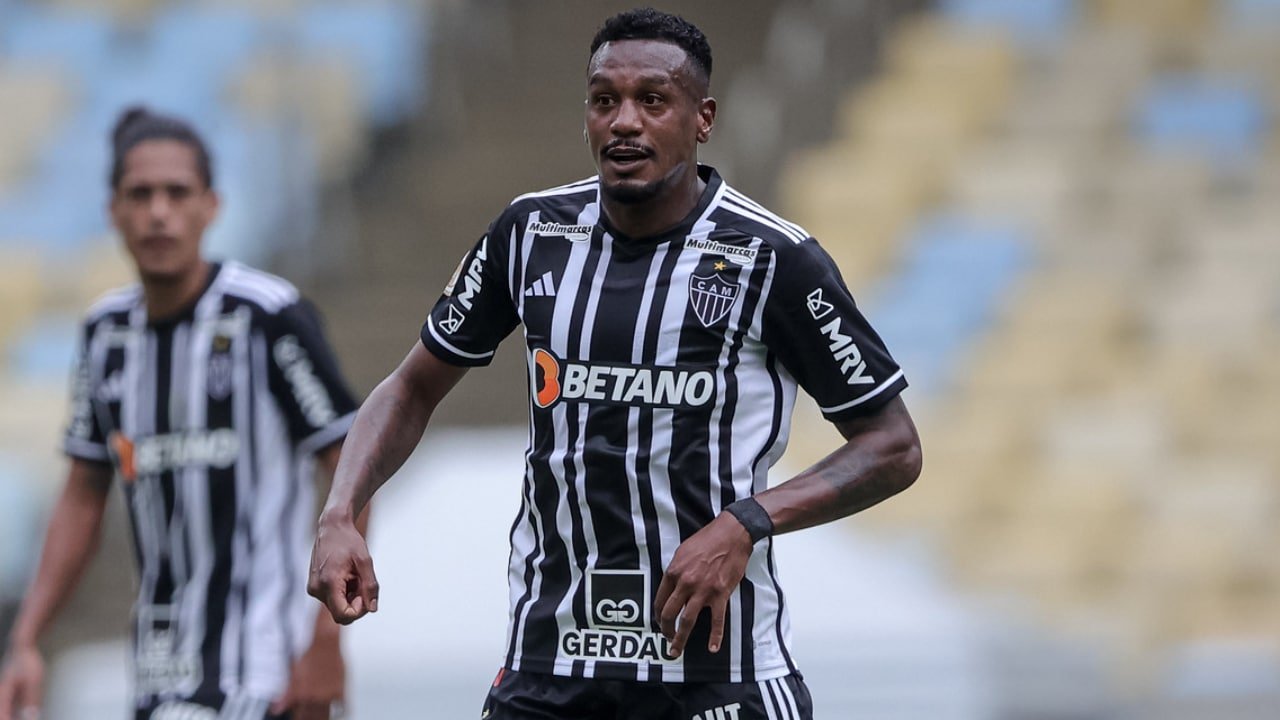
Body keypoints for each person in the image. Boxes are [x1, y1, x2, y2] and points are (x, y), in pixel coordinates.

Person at [308, 7, 922, 719]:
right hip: (548, 669)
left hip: (717, 675)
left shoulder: (772, 259)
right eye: (605, 100)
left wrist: (744, 522)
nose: (624, 121)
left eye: (652, 100)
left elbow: (893, 447)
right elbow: (412, 387)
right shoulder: (531, 234)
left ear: (703, 118)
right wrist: (340, 512)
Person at [0, 107, 361, 720]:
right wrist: (27, 638)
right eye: (140, 194)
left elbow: (353, 464)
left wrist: (326, 639)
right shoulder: (105, 334)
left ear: (211, 205)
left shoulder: (268, 317)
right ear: (113, 210)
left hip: (269, 672)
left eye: (177, 192)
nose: (158, 211)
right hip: (159, 671)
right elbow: (84, 492)